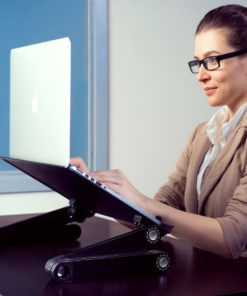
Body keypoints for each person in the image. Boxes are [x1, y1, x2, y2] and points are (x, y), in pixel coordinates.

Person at [70, 4, 247, 259]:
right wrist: (99, 193)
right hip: (204, 280)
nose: (201, 76)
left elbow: (234, 237)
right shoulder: (203, 134)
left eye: (212, 60)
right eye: (198, 63)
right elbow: (158, 214)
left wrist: (145, 203)